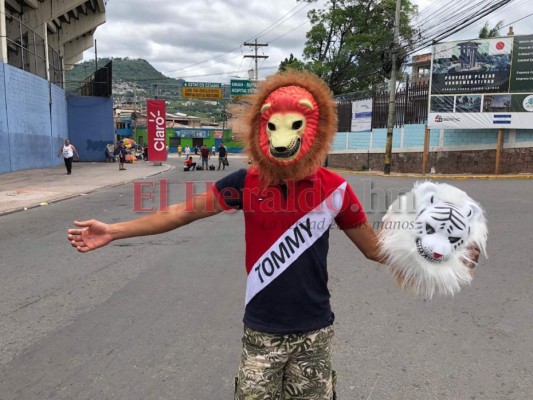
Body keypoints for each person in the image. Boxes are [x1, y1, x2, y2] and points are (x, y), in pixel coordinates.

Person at [67, 71, 480, 399]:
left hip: (315, 331)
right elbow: (179, 214)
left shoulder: (336, 190)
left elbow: (376, 249)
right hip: (261, 331)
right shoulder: (244, 183)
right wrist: (114, 230)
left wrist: (447, 256)